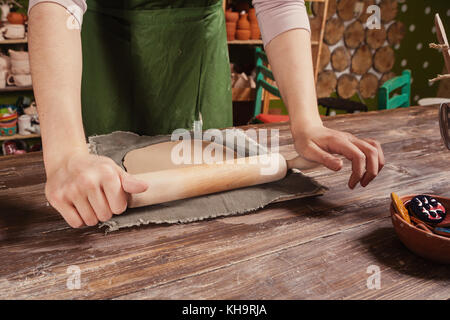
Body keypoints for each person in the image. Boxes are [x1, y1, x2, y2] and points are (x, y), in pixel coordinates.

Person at [28, 0, 385, 228]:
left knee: (211, 207)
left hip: (196, 52)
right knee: (101, 198)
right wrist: (66, 155)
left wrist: (307, 122)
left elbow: (278, 4)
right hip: (106, 47)